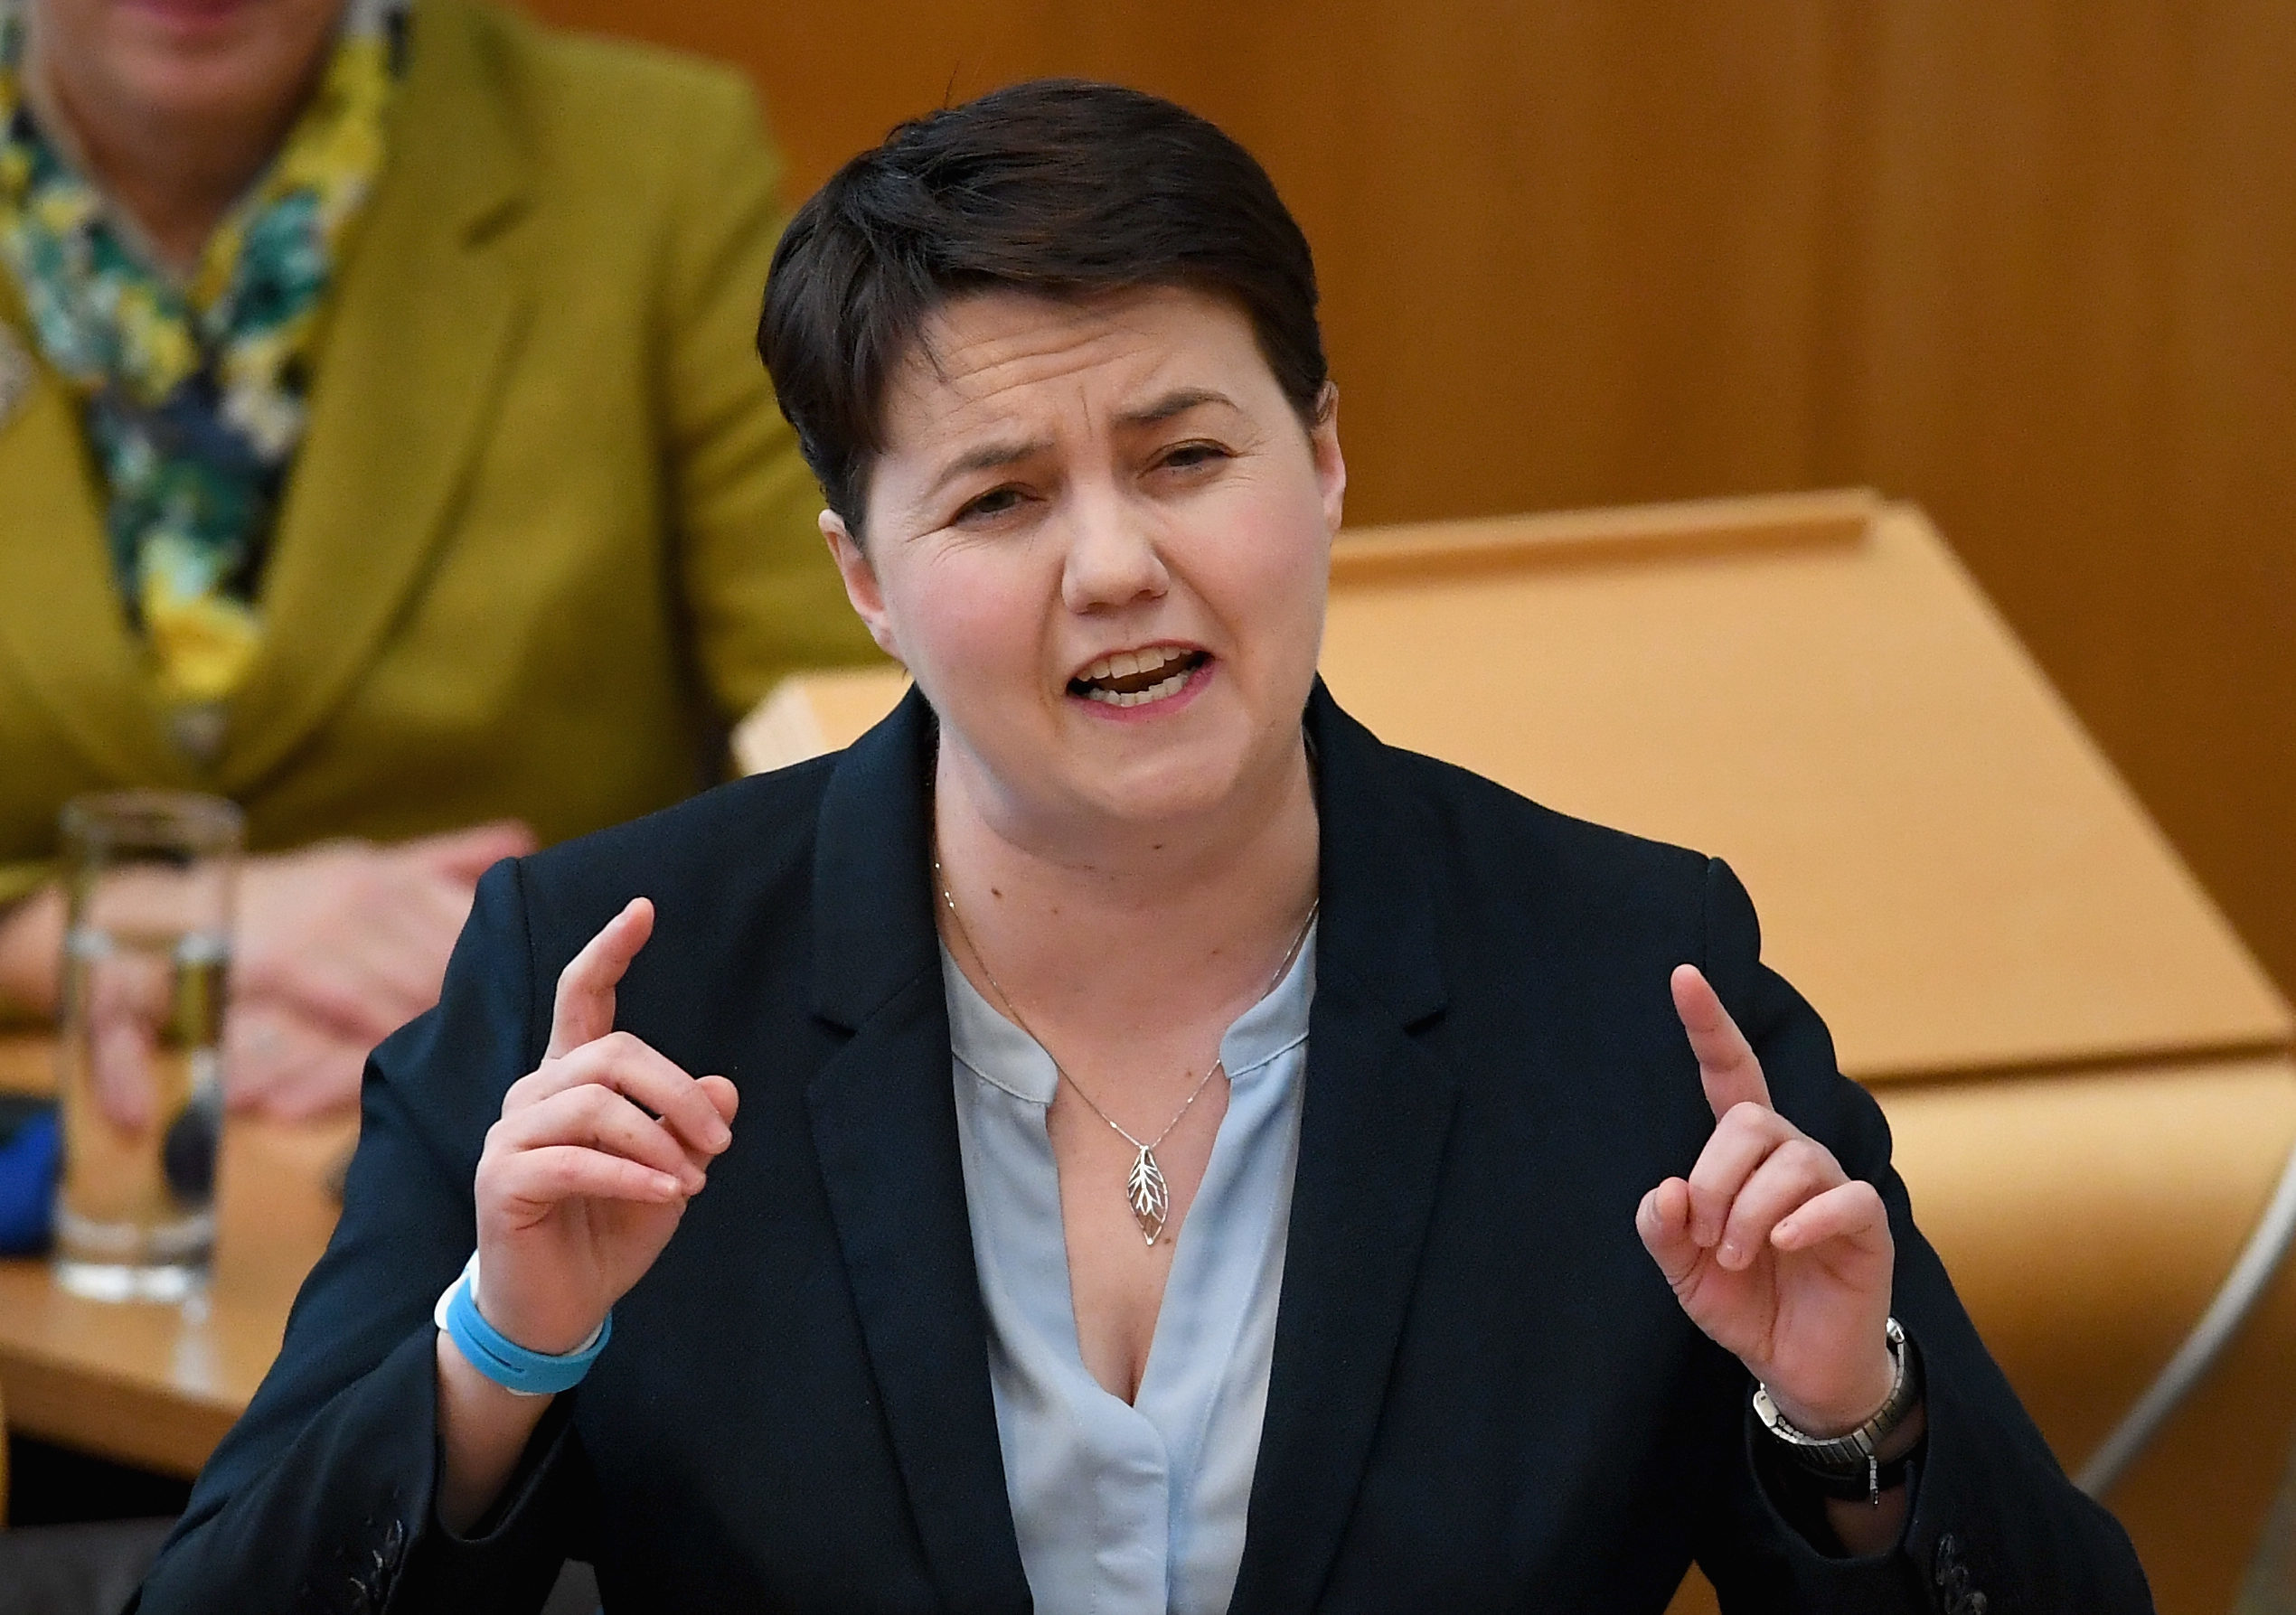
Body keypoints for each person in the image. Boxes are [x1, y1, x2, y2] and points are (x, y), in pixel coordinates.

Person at [131, 80, 2151, 1611]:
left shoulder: (1631, 975)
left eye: (1190, 455)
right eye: (999, 498)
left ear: (1327, 458)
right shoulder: (613, 978)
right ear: (863, 578)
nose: (1119, 563)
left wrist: (1843, 1412)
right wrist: (504, 1348)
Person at [0, 0, 874, 1115]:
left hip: (546, 1130)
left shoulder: (647, 164)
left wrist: (550, 979)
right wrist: (146, 930)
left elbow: (863, 730)